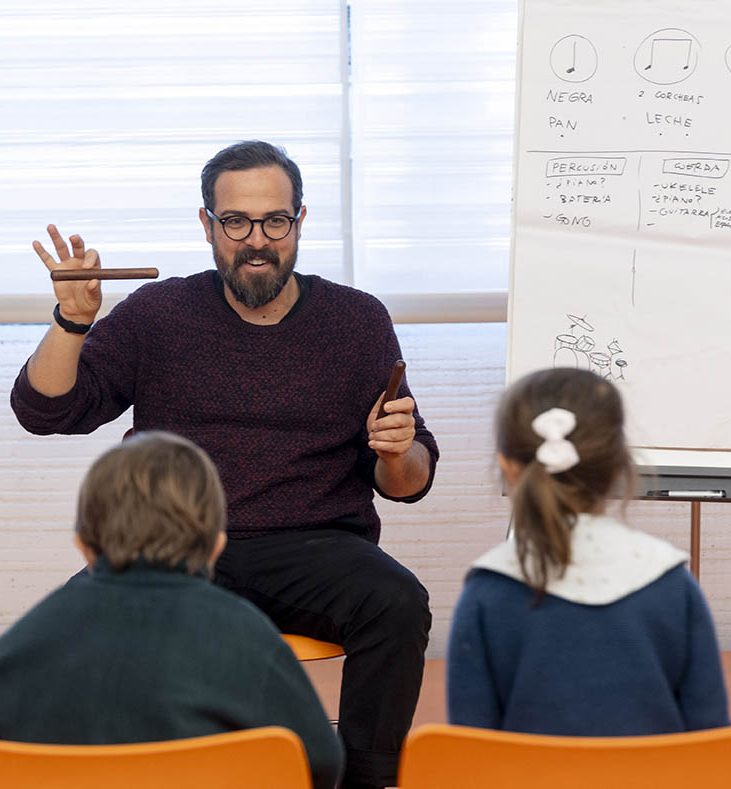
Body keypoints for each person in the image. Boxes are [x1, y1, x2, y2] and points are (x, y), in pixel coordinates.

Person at [10, 140, 439, 789]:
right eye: (236, 221)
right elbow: (47, 411)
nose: (256, 239)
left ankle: (367, 778)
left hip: (317, 546)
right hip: (175, 546)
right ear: (207, 224)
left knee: (397, 600)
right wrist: (72, 322)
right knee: (80, 624)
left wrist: (396, 447)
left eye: (274, 220)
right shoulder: (159, 314)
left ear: (299, 220)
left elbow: (406, 483)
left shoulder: (356, 320)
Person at [0, 431, 343, 789]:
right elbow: (321, 764)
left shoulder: (23, 641)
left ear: (83, 547)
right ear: (215, 547)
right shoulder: (251, 638)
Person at [447, 367, 730, 735]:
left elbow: (472, 755)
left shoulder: (486, 593)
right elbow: (711, 738)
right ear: (619, 464)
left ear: (507, 467)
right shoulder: (674, 584)